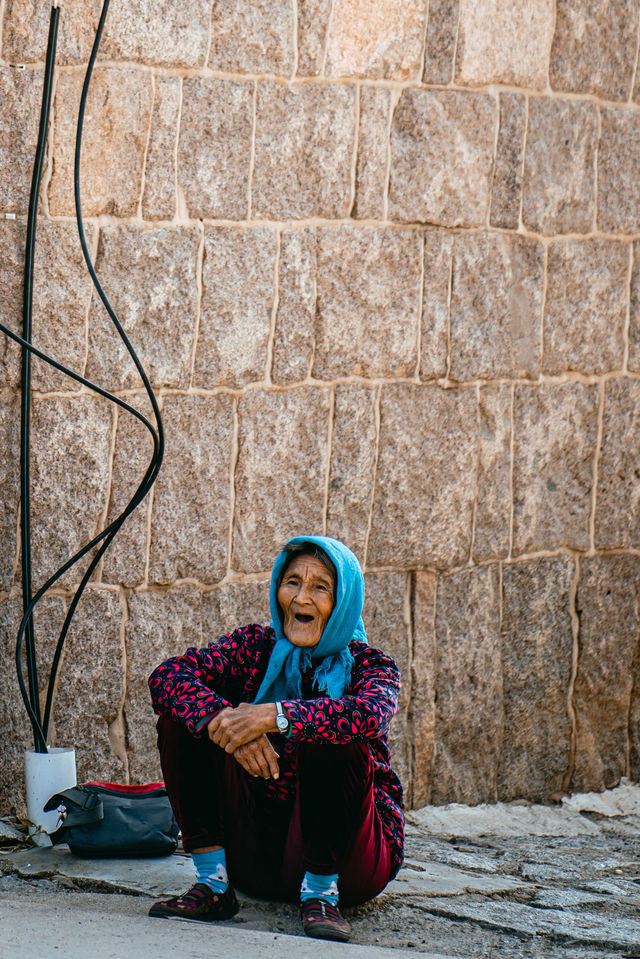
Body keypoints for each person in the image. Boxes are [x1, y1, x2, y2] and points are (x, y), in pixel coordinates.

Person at [147, 534, 404, 942]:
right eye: (292, 582)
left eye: (320, 587)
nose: (302, 598)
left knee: (332, 733)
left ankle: (321, 894)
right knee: (182, 718)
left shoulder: (370, 665)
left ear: (344, 601)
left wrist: (274, 716)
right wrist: (226, 724)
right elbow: (167, 675)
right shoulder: (255, 646)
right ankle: (213, 884)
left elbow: (367, 714)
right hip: (258, 855)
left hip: (350, 863)